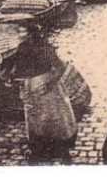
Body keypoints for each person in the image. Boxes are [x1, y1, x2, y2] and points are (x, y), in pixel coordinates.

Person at [13, 24, 77, 162]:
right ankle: (39, 150)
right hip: (31, 87)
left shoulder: (44, 48)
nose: (19, 34)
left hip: (47, 86)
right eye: (19, 31)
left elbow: (60, 67)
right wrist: (15, 78)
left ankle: (61, 149)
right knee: (36, 120)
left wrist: (50, 82)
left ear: (31, 34)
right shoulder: (21, 49)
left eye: (22, 31)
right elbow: (18, 69)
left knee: (55, 118)